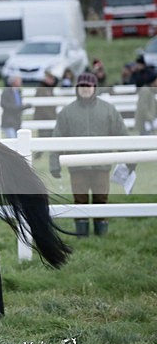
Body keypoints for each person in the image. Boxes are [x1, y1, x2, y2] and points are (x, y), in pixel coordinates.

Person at [50, 72, 128, 237]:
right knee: (80, 200)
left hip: (102, 165)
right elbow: (57, 138)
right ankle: (82, 235)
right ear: (77, 88)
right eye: (82, 86)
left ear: (95, 88)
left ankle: (101, 235)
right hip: (77, 166)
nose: (85, 89)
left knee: (101, 199)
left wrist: (128, 159)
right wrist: (54, 163)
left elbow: (122, 134)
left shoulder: (108, 109)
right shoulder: (67, 112)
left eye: (88, 86)